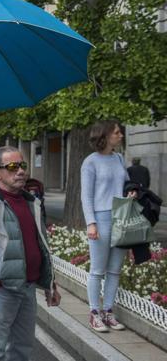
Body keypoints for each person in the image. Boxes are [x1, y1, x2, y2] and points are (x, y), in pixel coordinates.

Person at [0, 146, 60, 361]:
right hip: (1, 290)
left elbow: (41, 244)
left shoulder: (31, 201)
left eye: (22, 165)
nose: (21, 171)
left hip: (28, 288)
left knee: (22, 349)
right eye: (12, 166)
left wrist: (49, 282)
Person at [81, 120, 131, 332]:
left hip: (121, 215)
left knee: (114, 270)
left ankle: (108, 311)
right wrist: (91, 223)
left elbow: (126, 183)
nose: (121, 135)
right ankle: (94, 313)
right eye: (117, 132)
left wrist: (131, 193)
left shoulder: (119, 158)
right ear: (105, 135)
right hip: (101, 218)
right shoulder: (90, 162)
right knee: (98, 270)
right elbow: (86, 196)